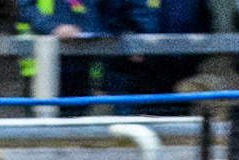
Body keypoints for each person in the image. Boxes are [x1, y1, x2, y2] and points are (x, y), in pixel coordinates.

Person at [14, 0, 158, 113]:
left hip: (87, 56)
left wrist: (109, 30)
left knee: (79, 113)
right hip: (46, 61)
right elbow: (25, 8)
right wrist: (53, 27)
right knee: (46, 118)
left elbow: (108, 8)